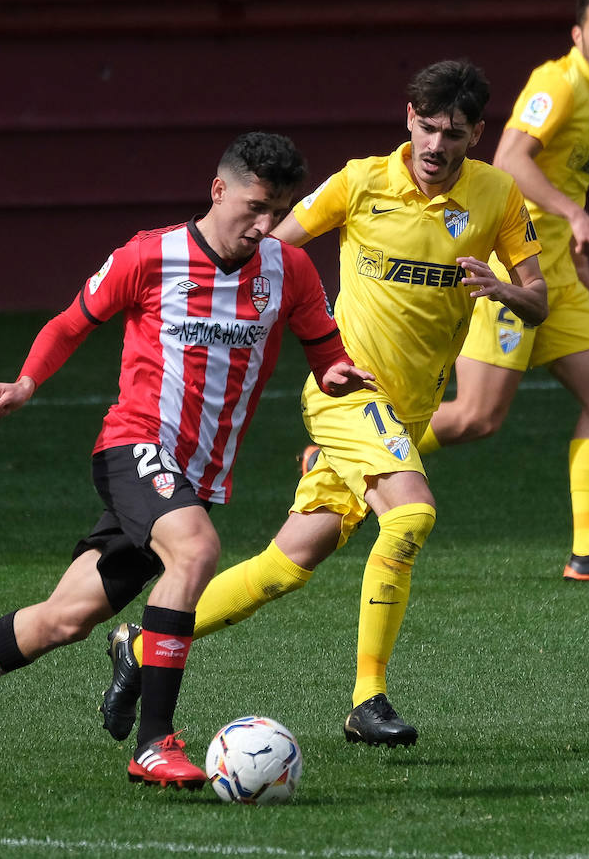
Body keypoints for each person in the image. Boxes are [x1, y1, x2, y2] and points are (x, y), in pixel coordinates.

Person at [0, 132, 373, 787]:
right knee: (195, 552)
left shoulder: (289, 270)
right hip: (134, 446)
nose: (264, 224)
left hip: (196, 476)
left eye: (278, 211)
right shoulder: (150, 254)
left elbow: (324, 348)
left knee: (63, 619)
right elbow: (72, 322)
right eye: (253, 206)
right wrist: (25, 383)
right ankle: (155, 741)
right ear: (218, 190)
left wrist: (336, 375)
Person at [99, 59, 547, 749]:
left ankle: (136, 643)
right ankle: (368, 699)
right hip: (348, 392)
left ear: (477, 134)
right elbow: (266, 249)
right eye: (426, 128)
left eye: (452, 134)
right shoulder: (361, 182)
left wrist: (501, 288)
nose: (435, 145)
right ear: (408, 118)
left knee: (288, 563)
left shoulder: (499, 197)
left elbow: (538, 298)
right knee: (412, 516)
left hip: (408, 412)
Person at [416, 0, 589, 584]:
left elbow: (564, 185)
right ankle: (342, 449)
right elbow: (511, 161)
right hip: (515, 268)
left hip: (559, 271)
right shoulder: (559, 85)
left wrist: (574, 248)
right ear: (578, 35)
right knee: (476, 417)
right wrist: (577, 218)